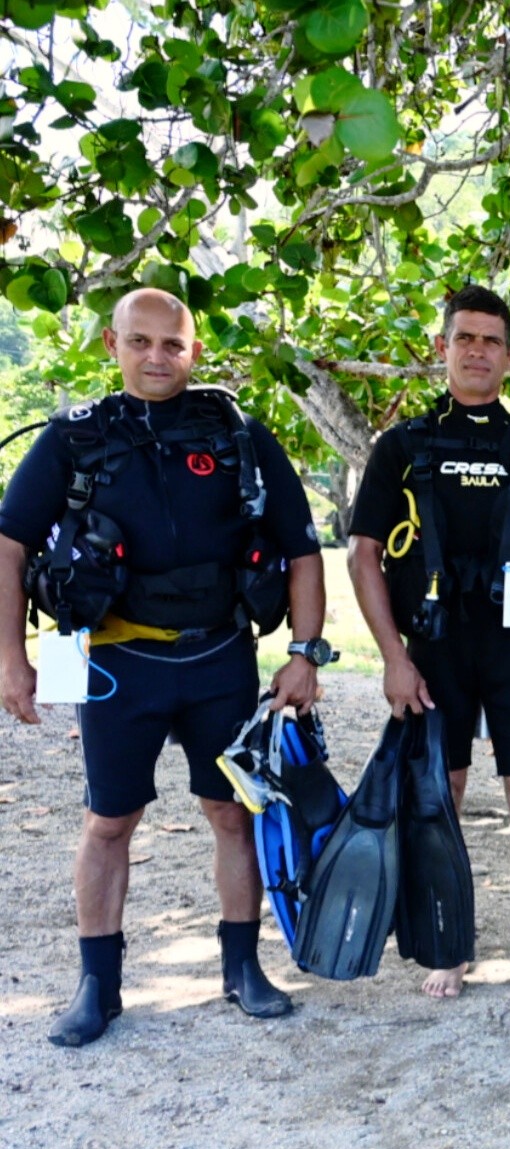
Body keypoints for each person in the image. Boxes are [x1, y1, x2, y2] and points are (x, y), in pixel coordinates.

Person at [0, 287, 327, 1046]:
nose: (156, 357)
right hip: (116, 661)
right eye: (140, 342)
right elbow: (11, 544)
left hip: (220, 654)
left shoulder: (239, 433)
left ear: (195, 352)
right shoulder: (72, 439)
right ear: (111, 346)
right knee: (110, 822)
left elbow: (304, 549)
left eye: (172, 344)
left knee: (231, 814)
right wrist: (12, 658)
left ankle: (242, 967)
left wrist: (305, 654)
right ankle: (98, 985)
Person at [346, 283, 510, 1000]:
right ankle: (449, 944)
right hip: (432, 648)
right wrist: (393, 659)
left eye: (492, 340)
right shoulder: (402, 446)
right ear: (443, 348)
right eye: (466, 338)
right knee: (440, 796)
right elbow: (363, 555)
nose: (479, 351)